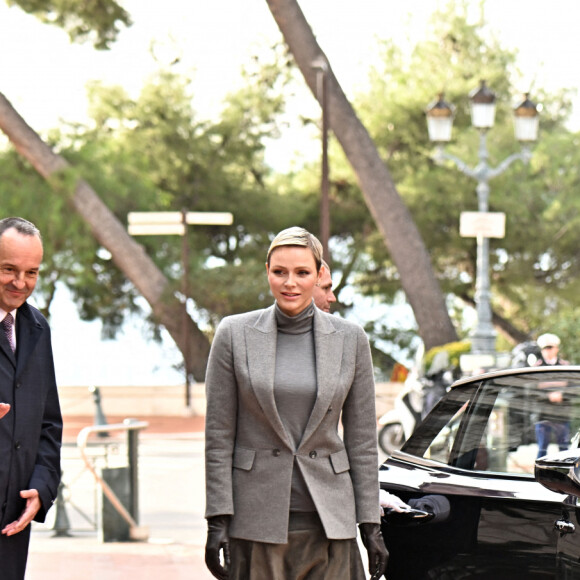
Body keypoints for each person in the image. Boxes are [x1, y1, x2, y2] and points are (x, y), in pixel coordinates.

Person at [204, 226, 387, 580]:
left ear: (319, 275)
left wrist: (370, 524)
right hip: (255, 523)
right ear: (267, 272)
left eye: (302, 273)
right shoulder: (233, 334)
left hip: (330, 523)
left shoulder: (351, 339)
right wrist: (217, 519)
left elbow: (362, 442)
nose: (290, 283)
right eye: (279, 272)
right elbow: (218, 436)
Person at [0, 217, 62, 579]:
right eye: (8, 269)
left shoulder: (37, 328)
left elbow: (49, 423)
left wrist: (41, 488)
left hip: (11, 525)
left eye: (31, 272)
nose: (20, 283)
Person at [534, 333, 570, 458]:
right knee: (542, 449)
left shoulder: (566, 366)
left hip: (561, 414)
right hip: (543, 414)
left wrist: (562, 395)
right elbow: (532, 391)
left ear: (556, 349)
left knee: (564, 450)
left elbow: (573, 388)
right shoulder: (536, 368)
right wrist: (548, 396)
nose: (548, 351)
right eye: (545, 348)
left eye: (550, 348)